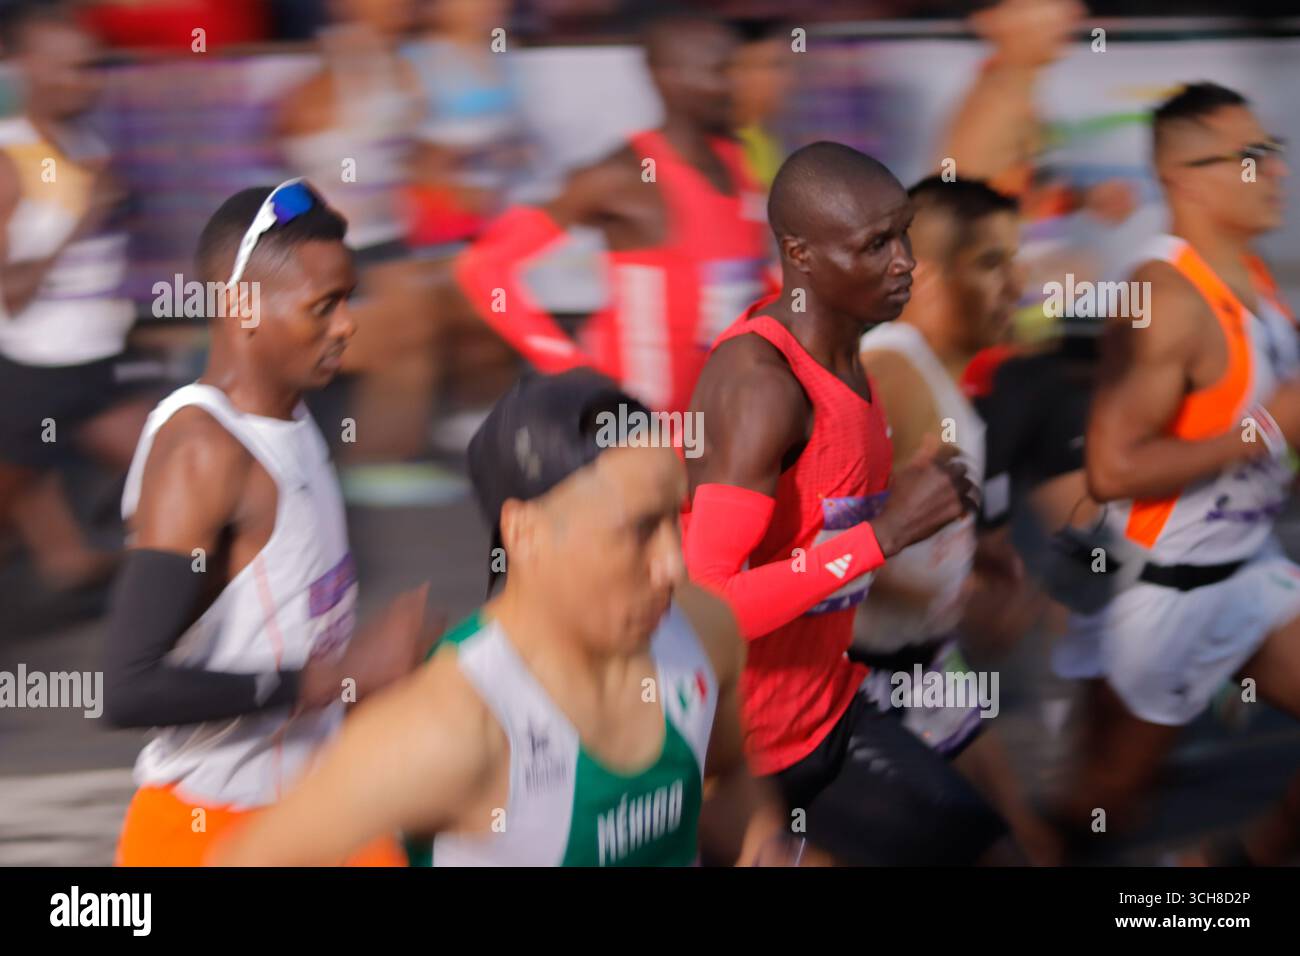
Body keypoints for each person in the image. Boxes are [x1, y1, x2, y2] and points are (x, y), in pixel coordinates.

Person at [212, 369, 796, 867]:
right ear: (527, 533)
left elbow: (722, 780)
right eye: (641, 530)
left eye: (676, 518)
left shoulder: (704, 634)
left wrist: (775, 847)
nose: (673, 564)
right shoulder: (449, 729)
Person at [682, 141, 1014, 865]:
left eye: (903, 235)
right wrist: (885, 535)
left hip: (828, 716)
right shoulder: (762, 387)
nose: (905, 262)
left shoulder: (850, 351)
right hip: (737, 760)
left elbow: (818, 518)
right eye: (875, 246)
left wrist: (948, 531)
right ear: (801, 254)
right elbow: (706, 605)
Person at [107, 180, 438, 866]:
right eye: (324, 306)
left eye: (349, 300)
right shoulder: (203, 449)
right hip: (207, 831)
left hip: (323, 811)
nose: (347, 324)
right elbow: (127, 686)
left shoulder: (296, 416)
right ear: (242, 308)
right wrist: (328, 680)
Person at [1051, 83, 1300, 860]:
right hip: (1159, 598)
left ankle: (1229, 874)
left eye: (1276, 152)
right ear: (1185, 177)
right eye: (1252, 158)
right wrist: (1265, 431)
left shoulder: (1258, 284)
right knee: (1101, 812)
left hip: (1249, 573)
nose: (1277, 172)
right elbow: (1112, 466)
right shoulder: (1162, 298)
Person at [855, 175, 1059, 864]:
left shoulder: (946, 377)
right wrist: (946, 599)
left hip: (928, 667)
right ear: (930, 279)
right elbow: (803, 550)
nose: (1018, 284)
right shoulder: (892, 379)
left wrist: (977, 560)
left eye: (1017, 258)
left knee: (1020, 848)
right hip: (851, 689)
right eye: (992, 262)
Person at [453, 11, 769, 415]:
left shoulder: (740, 161)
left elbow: (755, 280)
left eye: (738, 69)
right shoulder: (621, 175)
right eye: (720, 71)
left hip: (721, 420)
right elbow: (483, 267)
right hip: (636, 428)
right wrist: (568, 367)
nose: (737, 87)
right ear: (666, 78)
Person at [0, 3, 160, 589]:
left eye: (87, 66)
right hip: (28, 377)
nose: (78, 81)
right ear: (16, 68)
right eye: (58, 68)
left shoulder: (85, 139)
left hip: (95, 367)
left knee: (174, 476)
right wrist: (82, 221)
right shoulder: (9, 159)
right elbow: (9, 293)